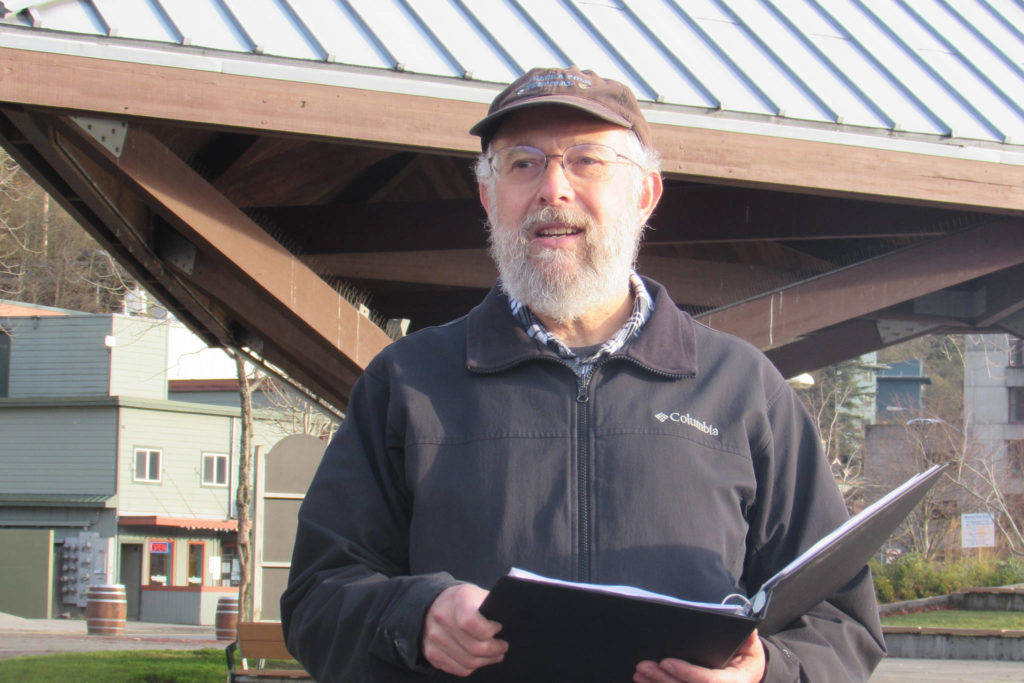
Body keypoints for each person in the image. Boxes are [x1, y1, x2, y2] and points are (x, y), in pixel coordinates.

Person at [281, 66, 885, 682]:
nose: (553, 188)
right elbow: (316, 601)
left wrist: (763, 675)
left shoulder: (744, 388)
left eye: (587, 161)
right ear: (488, 198)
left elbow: (842, 619)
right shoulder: (408, 382)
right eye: (522, 164)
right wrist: (416, 615)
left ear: (646, 193)